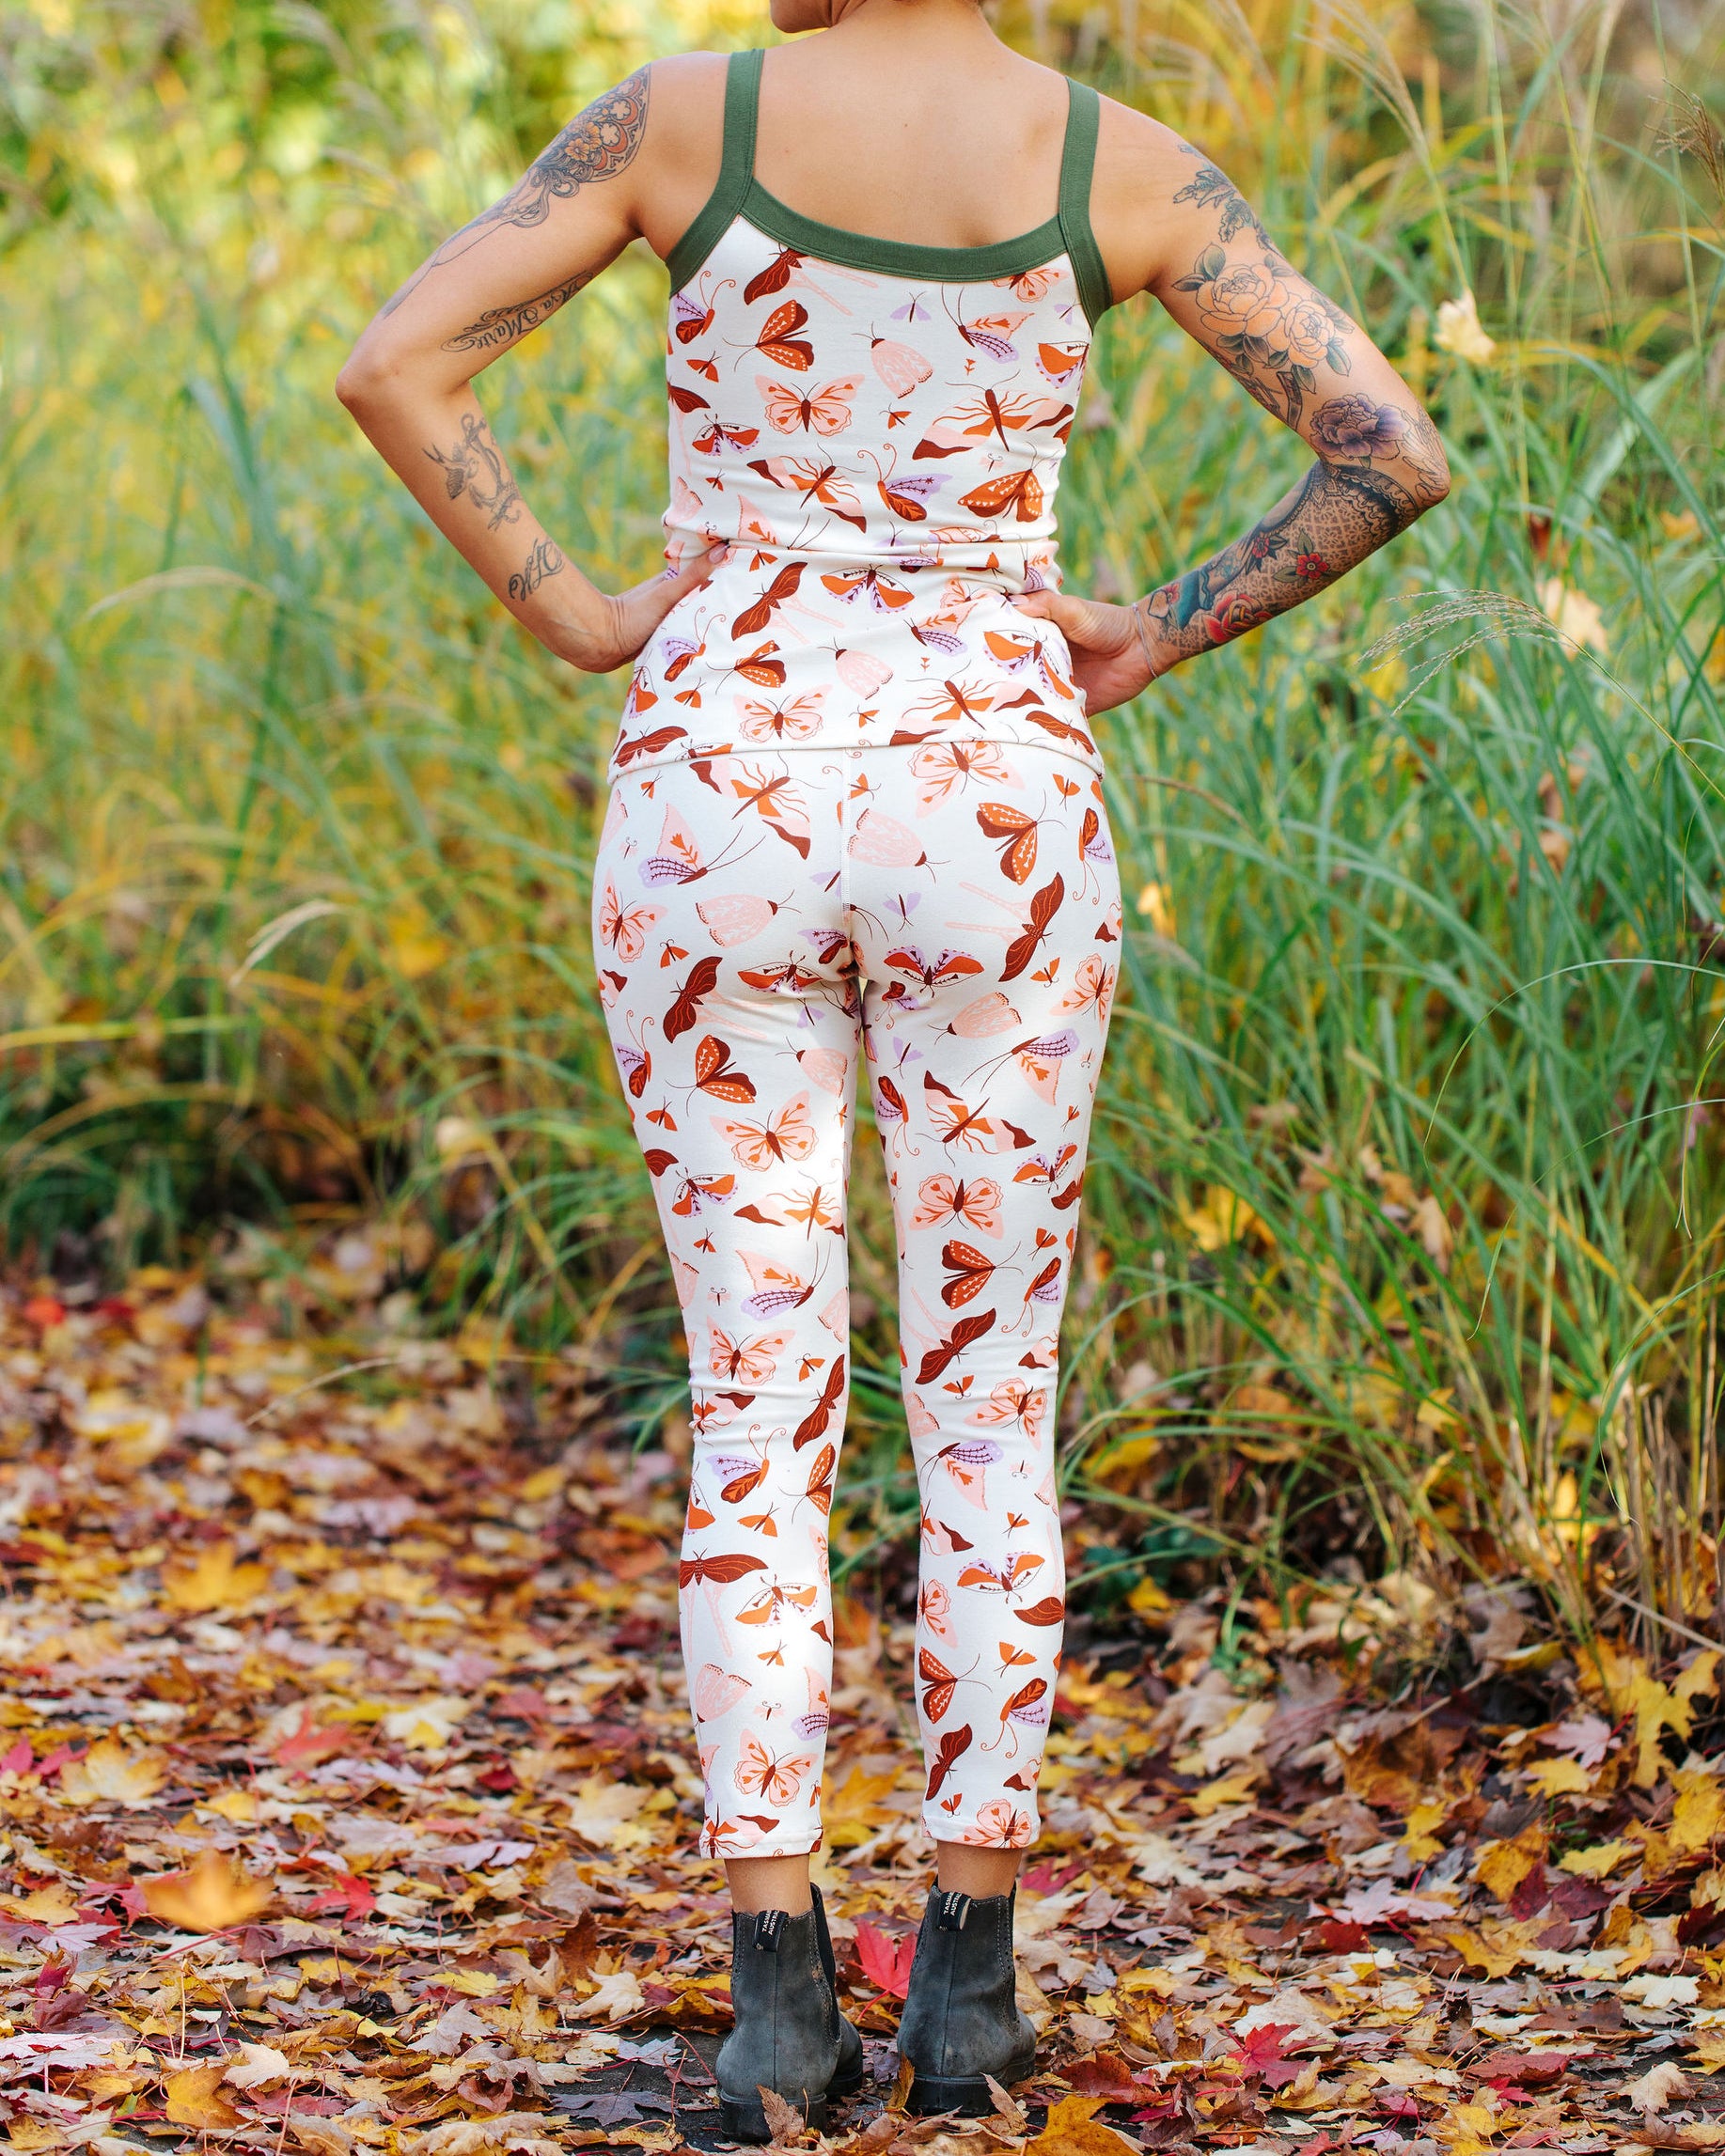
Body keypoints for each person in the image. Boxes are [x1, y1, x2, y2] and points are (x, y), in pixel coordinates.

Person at [336, 0, 1448, 2134]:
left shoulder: (685, 122)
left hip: (720, 794)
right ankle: (966, 1994)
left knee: (757, 1396)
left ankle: (772, 2010)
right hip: (990, 810)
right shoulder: (1110, 157)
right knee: (989, 1393)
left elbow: (397, 357)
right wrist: (1164, 620)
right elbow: (1388, 445)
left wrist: (571, 604)